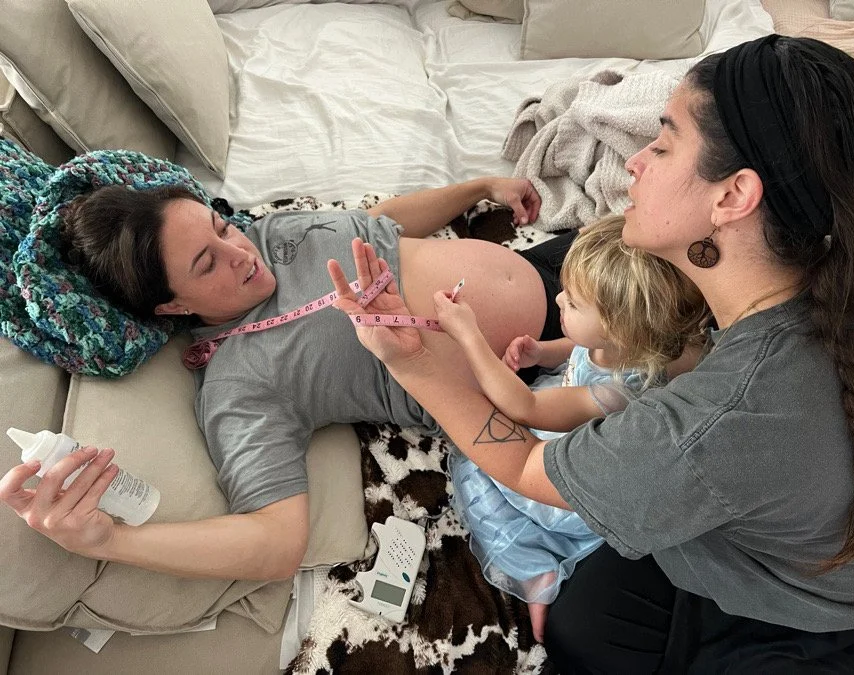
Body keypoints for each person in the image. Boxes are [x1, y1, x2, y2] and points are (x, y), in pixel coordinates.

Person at [329, 35, 854, 671]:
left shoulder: (709, 421)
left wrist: (411, 362)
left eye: (662, 143)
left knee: (579, 633)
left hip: (821, 610)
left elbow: (523, 468)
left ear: (734, 196)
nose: (634, 163)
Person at [0, 176, 572, 581]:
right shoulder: (238, 384)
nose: (239, 252)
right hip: (550, 377)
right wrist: (112, 541)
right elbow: (273, 543)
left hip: (568, 274)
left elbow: (377, 227)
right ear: (172, 308)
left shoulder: (269, 236)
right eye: (207, 263)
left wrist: (476, 189)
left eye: (222, 228)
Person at [436, 215, 707, 643]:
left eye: (573, 303)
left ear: (619, 328)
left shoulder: (617, 393)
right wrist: (542, 352)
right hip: (566, 422)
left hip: (571, 482)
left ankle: (535, 573)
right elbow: (584, 345)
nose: (558, 300)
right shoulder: (630, 342)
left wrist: (467, 334)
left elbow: (524, 407)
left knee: (476, 463)